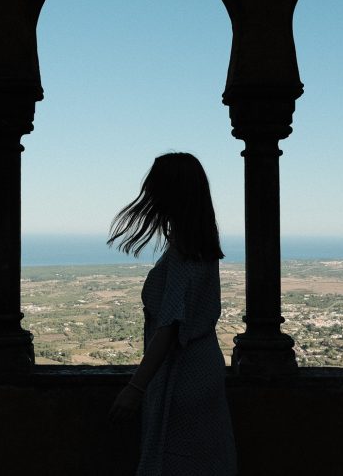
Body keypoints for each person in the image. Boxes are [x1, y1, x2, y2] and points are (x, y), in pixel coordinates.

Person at [107, 152, 237, 475]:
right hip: (205, 369)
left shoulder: (181, 254)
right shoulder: (203, 248)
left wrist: (135, 387)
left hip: (181, 378)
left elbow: (168, 326)